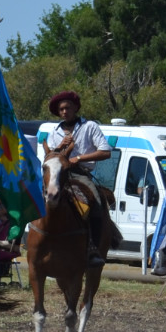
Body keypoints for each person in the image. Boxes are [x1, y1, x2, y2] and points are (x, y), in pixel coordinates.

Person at [46, 91, 114, 267]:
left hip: (80, 173)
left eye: (68, 107)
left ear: (76, 108)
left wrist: (79, 158)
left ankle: (93, 249)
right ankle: (26, 241)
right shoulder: (54, 131)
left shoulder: (90, 126)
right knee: (38, 197)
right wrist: (59, 147)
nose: (64, 111)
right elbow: (50, 157)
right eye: (61, 109)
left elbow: (105, 152)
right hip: (59, 173)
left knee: (97, 201)